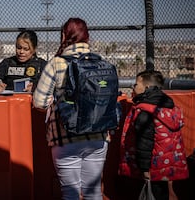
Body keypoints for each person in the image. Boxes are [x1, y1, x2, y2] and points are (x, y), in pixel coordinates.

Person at [33, 18, 109, 200]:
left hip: (65, 138)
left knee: (71, 194)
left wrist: (55, 102)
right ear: (86, 36)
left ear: (63, 35)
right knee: (93, 193)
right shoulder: (101, 62)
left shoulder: (57, 63)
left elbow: (39, 102)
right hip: (98, 136)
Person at [118, 70, 188, 200]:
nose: (133, 87)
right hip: (165, 164)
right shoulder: (168, 105)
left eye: (136, 84)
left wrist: (144, 169)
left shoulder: (144, 111)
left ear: (146, 87)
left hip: (150, 166)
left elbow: (145, 142)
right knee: (161, 193)